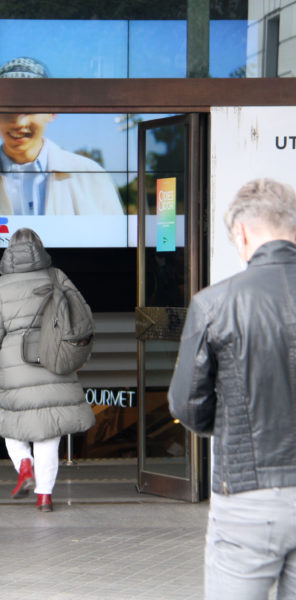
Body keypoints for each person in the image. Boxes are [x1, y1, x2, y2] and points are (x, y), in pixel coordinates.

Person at [168, 178, 296, 599]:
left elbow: (187, 405)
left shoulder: (214, 303)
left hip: (247, 496)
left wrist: (230, 425)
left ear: (241, 234)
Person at [0, 228, 95, 511]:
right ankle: (44, 497)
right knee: (49, 435)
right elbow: (82, 318)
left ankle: (24, 465)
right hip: (54, 358)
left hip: (14, 364)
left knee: (11, 427)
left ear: (9, 251)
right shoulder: (55, 276)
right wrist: (80, 354)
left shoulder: (1, 286)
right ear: (40, 248)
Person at [0, 57, 123, 216]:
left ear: (52, 111)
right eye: (8, 108)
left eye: (30, 108)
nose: (19, 122)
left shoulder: (91, 178)